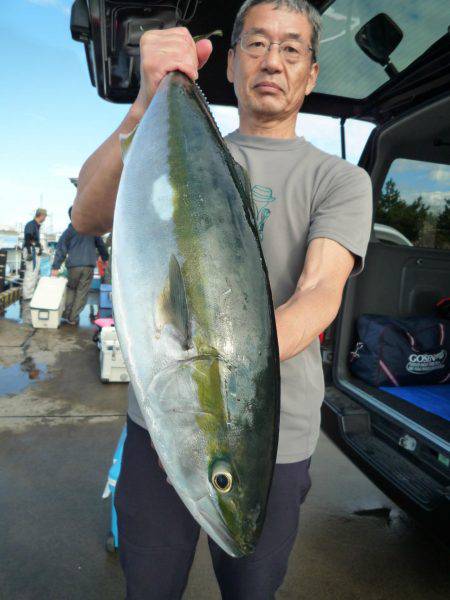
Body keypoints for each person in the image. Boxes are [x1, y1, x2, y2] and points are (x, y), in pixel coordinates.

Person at [72, 1, 373, 597]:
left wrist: (210, 389)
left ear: (311, 74)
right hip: (157, 428)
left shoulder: (339, 180)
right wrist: (146, 99)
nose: (272, 61)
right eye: (256, 44)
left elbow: (319, 293)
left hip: (272, 443)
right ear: (230, 64)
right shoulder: (169, 138)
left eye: (292, 49)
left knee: (250, 588)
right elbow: (85, 213)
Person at [51, 207, 109, 325]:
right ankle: (73, 317)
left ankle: (67, 314)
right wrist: (105, 258)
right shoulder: (91, 230)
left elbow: (61, 249)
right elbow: (101, 245)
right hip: (88, 265)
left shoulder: (69, 231)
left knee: (71, 289)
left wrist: (56, 267)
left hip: (73, 266)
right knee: (82, 292)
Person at [22, 208, 47, 300]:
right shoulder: (31, 225)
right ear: (42, 215)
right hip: (31, 251)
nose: (45, 218)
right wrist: (29, 252)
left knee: (34, 273)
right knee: (31, 273)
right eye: (45, 216)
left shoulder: (36, 226)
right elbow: (27, 238)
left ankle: (29, 294)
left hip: (34, 251)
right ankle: (27, 296)